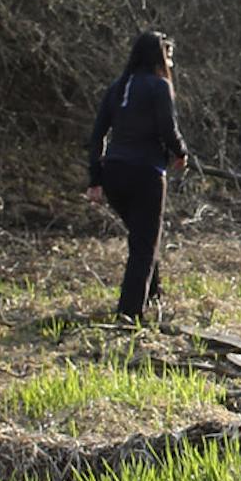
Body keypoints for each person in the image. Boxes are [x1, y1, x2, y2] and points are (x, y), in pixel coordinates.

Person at [86, 30, 190, 322]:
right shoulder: (159, 87)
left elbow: (97, 135)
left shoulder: (117, 87)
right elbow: (167, 128)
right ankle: (129, 315)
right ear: (159, 56)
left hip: (114, 174)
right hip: (146, 173)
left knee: (143, 237)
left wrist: (95, 179)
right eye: (168, 56)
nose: (171, 63)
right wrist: (180, 152)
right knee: (144, 245)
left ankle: (153, 294)